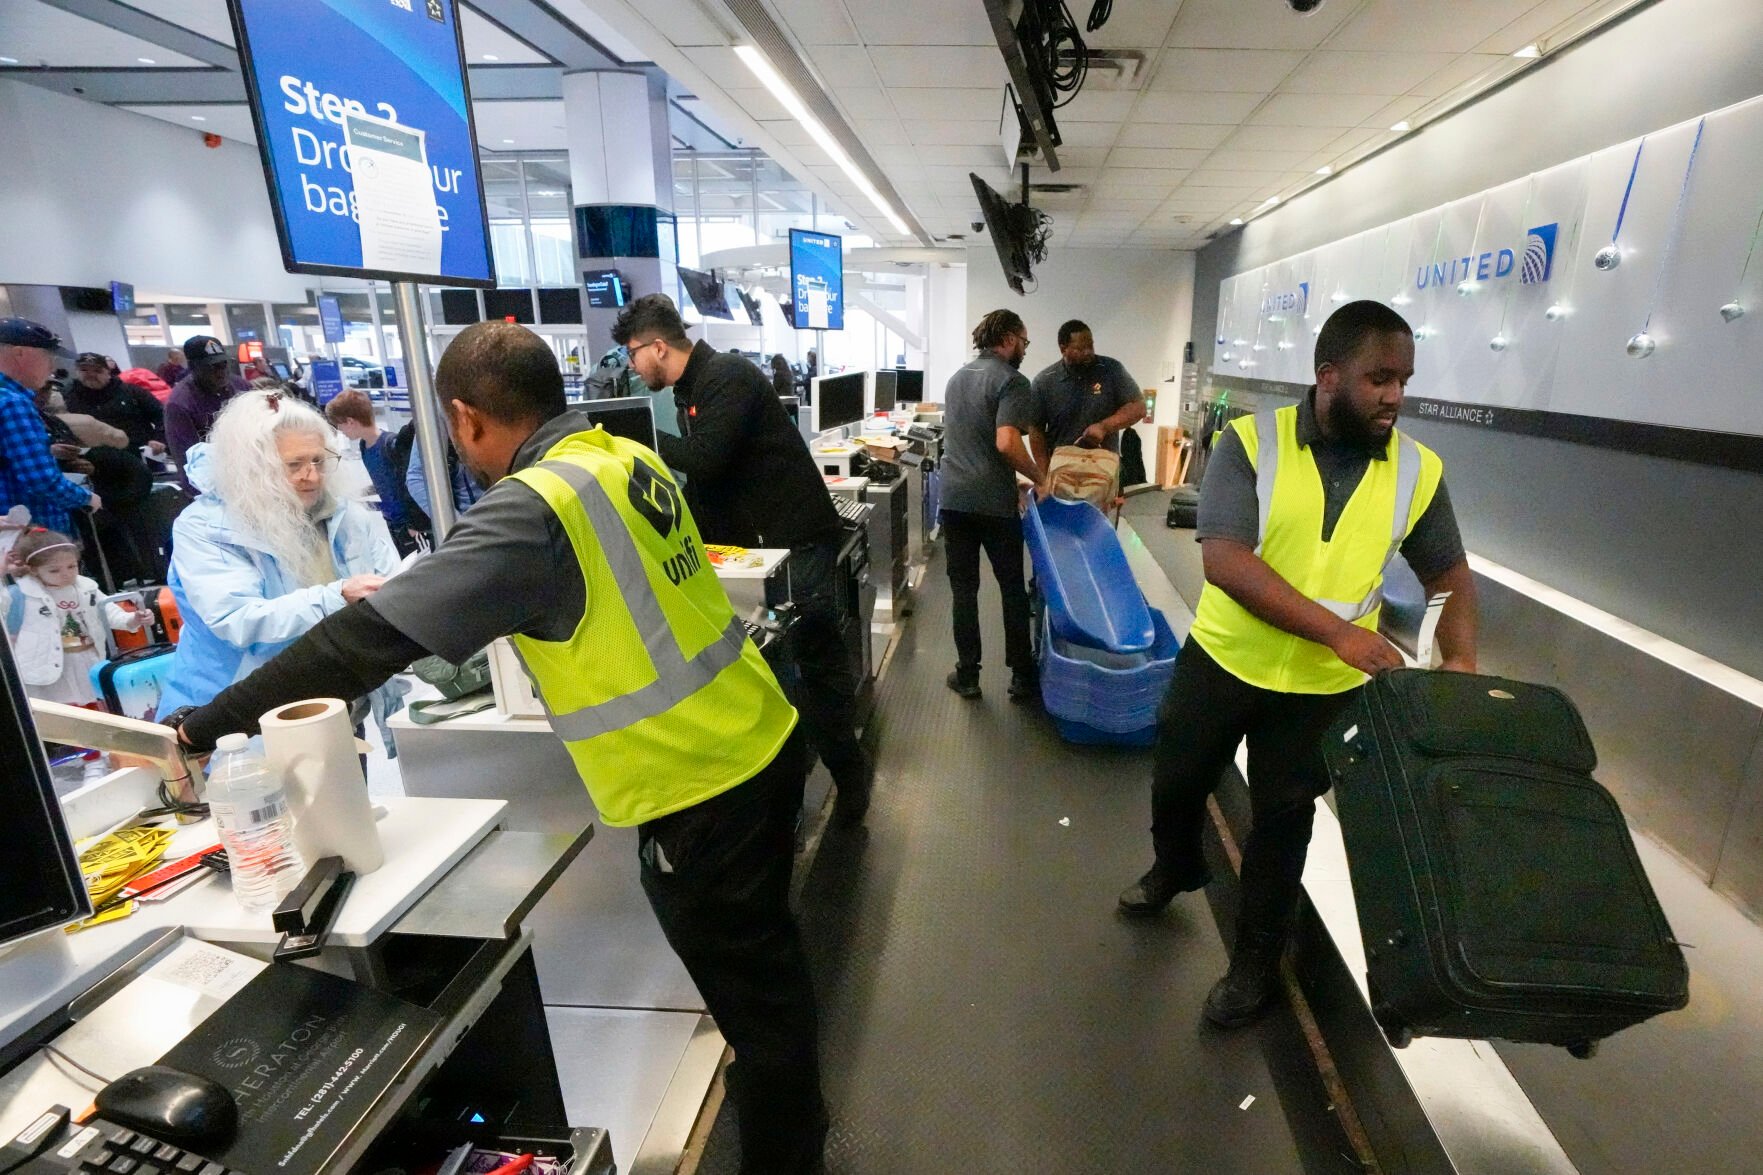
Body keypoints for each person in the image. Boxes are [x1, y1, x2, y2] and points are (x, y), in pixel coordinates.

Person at [164, 322, 827, 1173]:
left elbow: (360, 641)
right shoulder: (622, 458)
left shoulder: (532, 507)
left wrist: (203, 721)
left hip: (697, 784)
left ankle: (787, 1144)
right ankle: (787, 1099)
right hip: (757, 732)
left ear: (465, 417)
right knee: (769, 969)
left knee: (759, 1005)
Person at [1116, 300, 1479, 1027]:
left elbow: (1448, 570)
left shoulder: (1416, 469)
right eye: (1378, 378)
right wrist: (1338, 633)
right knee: (1177, 779)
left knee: (1283, 823)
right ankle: (1176, 864)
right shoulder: (1250, 443)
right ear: (1327, 375)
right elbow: (1224, 561)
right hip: (1224, 659)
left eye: (1403, 379)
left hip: (1320, 691)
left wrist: (1461, 655)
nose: (1394, 396)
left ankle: (1255, 962)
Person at [616, 294, 871, 822]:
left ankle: (848, 787)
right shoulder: (695, 388)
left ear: (657, 347)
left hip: (795, 544)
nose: (632, 367)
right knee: (784, 671)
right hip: (764, 548)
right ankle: (796, 803)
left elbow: (707, 460)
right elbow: (714, 484)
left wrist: (635, 440)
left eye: (633, 354)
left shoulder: (725, 376)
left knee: (812, 667)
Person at [155, 390, 403, 738]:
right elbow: (238, 621)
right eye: (294, 465)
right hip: (241, 722)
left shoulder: (345, 516)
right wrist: (338, 596)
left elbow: (388, 581)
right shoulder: (207, 529)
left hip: (336, 706)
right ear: (252, 467)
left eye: (318, 461)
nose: (311, 476)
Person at [939, 308, 1046, 701]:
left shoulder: (956, 378)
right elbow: (1005, 442)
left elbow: (977, 443)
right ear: (1008, 339)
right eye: (1024, 341)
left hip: (953, 500)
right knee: (1011, 589)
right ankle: (1021, 676)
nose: (1024, 349)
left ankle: (967, 675)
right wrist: (1039, 478)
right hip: (992, 504)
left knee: (963, 591)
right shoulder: (1013, 381)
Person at [3, 527, 144, 705]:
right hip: (48, 667)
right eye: (54, 570)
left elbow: (108, 611)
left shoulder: (87, 587)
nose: (66, 574)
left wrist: (132, 619)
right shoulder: (22, 593)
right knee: (62, 712)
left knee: (96, 703)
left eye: (72, 566)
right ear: (33, 570)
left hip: (88, 658)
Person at [0, 317, 100, 535]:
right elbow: (40, 480)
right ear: (19, 354)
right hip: (30, 538)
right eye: (48, 355)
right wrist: (86, 498)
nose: (52, 366)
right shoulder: (12, 403)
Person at [1028, 320, 1145, 468]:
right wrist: (1043, 476)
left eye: (1090, 345)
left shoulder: (1111, 369)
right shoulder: (1044, 381)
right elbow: (1035, 430)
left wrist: (1104, 427)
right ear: (1063, 349)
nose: (1088, 352)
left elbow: (1139, 407)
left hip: (1103, 469)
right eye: (1081, 348)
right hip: (1063, 470)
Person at [325, 389, 422, 556]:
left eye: (340, 427)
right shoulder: (364, 446)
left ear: (350, 422)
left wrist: (414, 524)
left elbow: (407, 485)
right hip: (392, 521)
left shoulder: (390, 444)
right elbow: (383, 482)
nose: (342, 432)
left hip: (408, 524)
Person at [164, 335, 247, 490]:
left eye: (223, 364)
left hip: (251, 473)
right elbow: (188, 464)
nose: (221, 371)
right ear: (193, 367)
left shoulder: (240, 386)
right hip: (216, 484)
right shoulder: (180, 404)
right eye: (212, 367)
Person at [65, 352, 167, 454]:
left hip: (139, 453)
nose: (91, 375)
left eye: (97, 371)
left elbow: (161, 416)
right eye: (84, 370)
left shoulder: (132, 392)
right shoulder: (68, 396)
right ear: (76, 372)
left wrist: (158, 439)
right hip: (93, 458)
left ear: (108, 373)